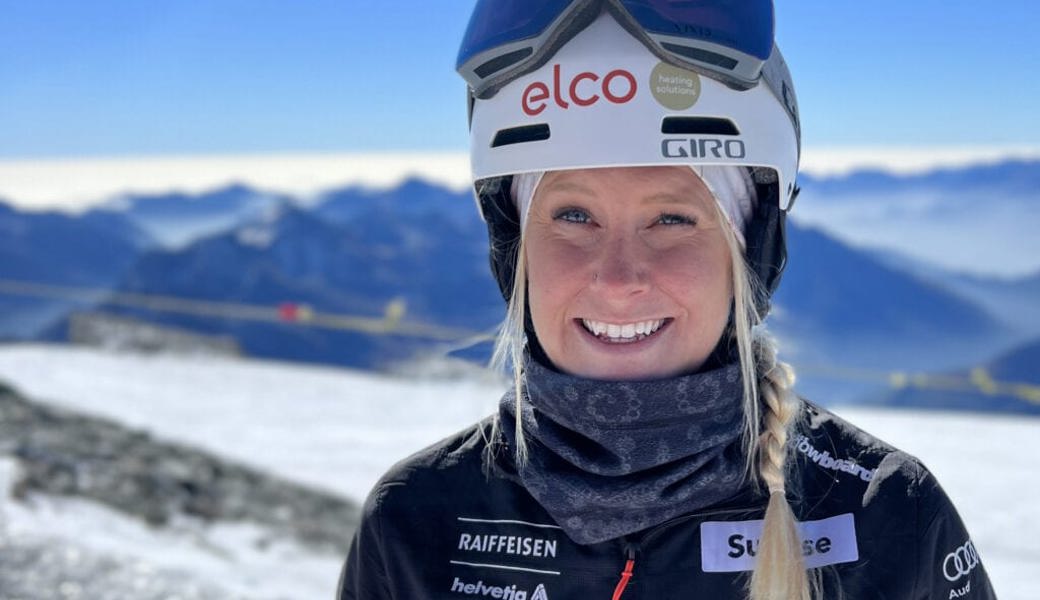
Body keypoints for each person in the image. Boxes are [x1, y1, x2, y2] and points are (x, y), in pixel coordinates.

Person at [338, 2, 997, 599]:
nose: (619, 278)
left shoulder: (880, 513)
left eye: (673, 219)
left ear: (749, 255)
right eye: (572, 215)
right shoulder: (419, 521)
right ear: (517, 252)